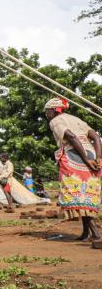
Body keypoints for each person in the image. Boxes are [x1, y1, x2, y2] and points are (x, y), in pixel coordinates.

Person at [44, 97, 102, 242]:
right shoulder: (76, 119)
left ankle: (95, 233)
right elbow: (95, 136)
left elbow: (70, 136)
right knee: (87, 194)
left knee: (77, 195)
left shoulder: (56, 121)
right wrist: (98, 157)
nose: (47, 114)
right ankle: (86, 232)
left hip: (75, 157)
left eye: (48, 111)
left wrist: (85, 159)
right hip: (92, 155)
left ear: (55, 110)